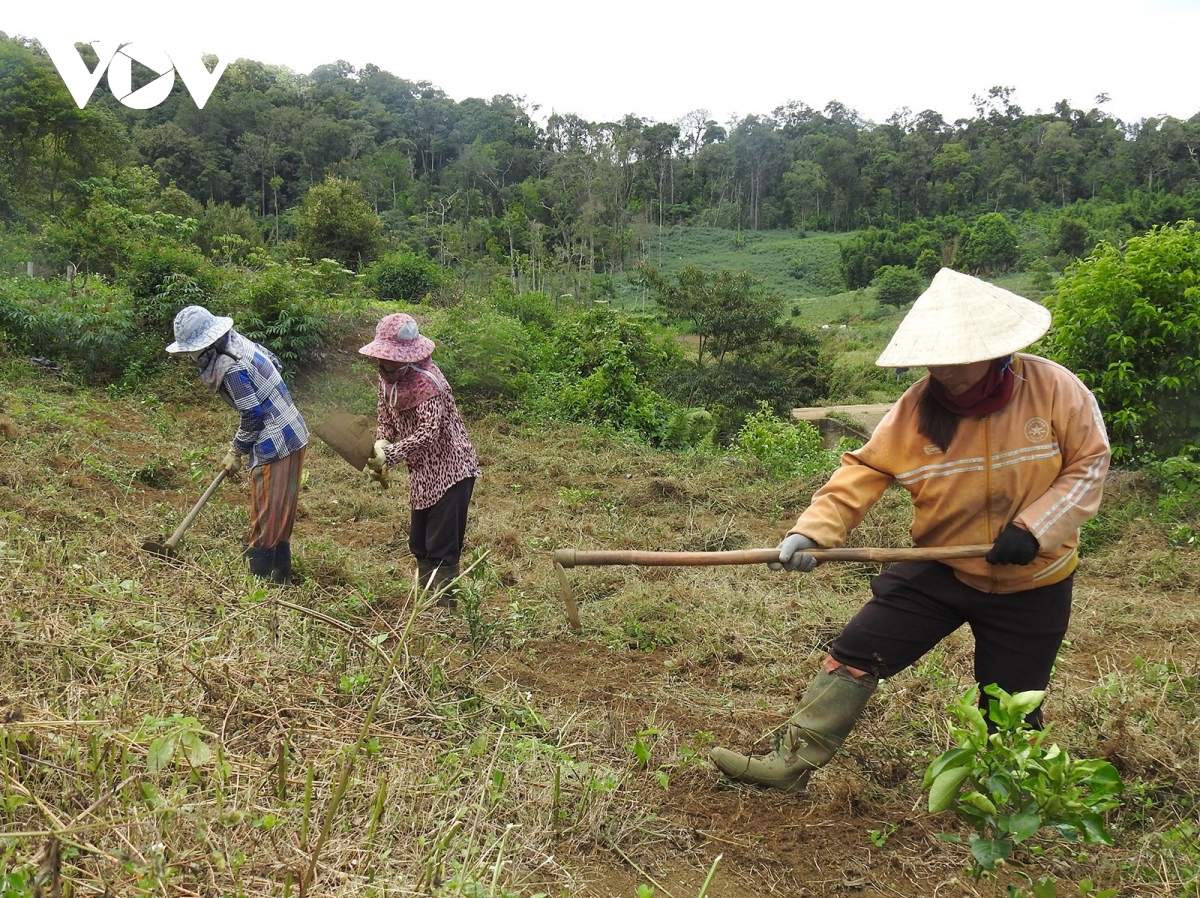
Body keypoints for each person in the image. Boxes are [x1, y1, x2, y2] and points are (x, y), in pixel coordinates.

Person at [711, 268, 1111, 793]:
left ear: (994, 349)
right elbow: (864, 470)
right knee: (856, 652)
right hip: (940, 566)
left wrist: (1035, 528)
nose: (944, 371)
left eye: (957, 358)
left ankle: (1013, 796)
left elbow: (1089, 464)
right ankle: (790, 764)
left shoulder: (1056, 390)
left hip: (1034, 582)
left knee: (1012, 701)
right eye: (935, 358)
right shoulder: (917, 408)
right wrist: (813, 532)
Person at [166, 305, 309, 584]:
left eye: (192, 351)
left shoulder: (230, 367)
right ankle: (281, 581)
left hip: (276, 442)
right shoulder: (235, 340)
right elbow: (275, 362)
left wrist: (236, 451)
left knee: (267, 514)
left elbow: (252, 415)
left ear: (207, 345)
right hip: (294, 432)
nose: (191, 357)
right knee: (279, 513)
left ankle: (261, 586)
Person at [359, 313, 481, 609]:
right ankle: (426, 606)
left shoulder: (430, 384)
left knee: (441, 547)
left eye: (389, 359)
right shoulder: (387, 377)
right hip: (423, 472)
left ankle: (445, 612)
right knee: (419, 543)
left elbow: (429, 434)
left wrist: (389, 455)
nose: (383, 365)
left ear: (407, 359)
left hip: (451, 471)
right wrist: (381, 442)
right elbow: (385, 415)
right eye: (382, 358)